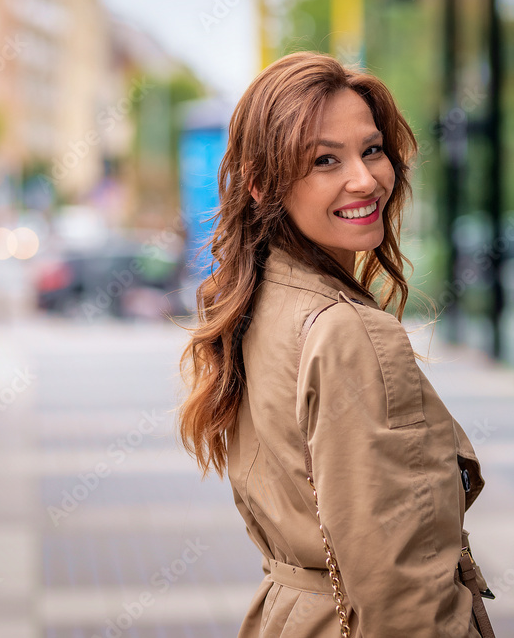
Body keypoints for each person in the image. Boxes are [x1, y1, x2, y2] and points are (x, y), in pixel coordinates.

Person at [176, 51, 490, 637]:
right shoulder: (349, 332)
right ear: (262, 183)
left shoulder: (257, 300)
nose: (365, 179)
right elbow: (405, 599)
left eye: (372, 150)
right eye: (325, 160)